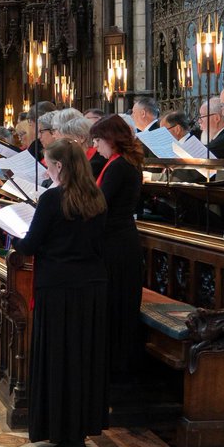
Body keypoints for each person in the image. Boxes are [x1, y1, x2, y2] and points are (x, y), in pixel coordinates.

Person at [11, 139, 108, 447]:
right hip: (90, 290)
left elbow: (31, 244)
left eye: (48, 164)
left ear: (60, 167)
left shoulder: (53, 199)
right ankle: (76, 432)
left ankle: (65, 437)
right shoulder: (96, 197)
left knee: (59, 360)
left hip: (58, 292)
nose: (46, 169)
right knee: (81, 361)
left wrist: (14, 233)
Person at [90, 114, 146, 376]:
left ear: (111, 140)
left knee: (118, 304)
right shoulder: (119, 162)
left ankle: (118, 368)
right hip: (117, 240)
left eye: (98, 140)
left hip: (117, 245)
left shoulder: (120, 166)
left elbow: (100, 204)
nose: (96, 145)